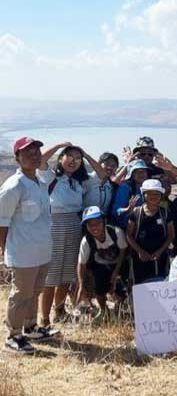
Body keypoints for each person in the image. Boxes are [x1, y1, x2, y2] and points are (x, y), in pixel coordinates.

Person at [37, 143, 107, 326]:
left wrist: (87, 154)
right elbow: (41, 159)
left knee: (67, 274)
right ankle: (44, 319)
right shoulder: (50, 177)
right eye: (69, 156)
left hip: (74, 225)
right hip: (55, 225)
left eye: (78, 158)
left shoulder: (80, 182)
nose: (73, 161)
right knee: (51, 276)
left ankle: (59, 311)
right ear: (61, 159)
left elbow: (102, 175)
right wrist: (60, 145)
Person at [1, 137, 56, 353]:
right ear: (17, 158)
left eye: (37, 152)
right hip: (23, 253)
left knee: (35, 291)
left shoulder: (40, 183)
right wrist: (3, 250)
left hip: (42, 250)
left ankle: (31, 327)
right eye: (28, 152)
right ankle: (14, 335)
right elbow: (2, 221)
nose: (34, 155)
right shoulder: (13, 186)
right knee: (21, 294)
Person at [76, 206, 127, 314]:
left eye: (98, 223)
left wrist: (115, 273)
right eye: (90, 225)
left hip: (118, 263)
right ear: (86, 226)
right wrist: (81, 285)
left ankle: (121, 308)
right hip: (99, 265)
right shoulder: (86, 241)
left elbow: (123, 253)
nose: (94, 227)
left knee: (121, 289)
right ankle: (104, 311)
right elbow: (81, 264)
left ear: (104, 221)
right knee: (99, 289)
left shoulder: (116, 232)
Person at [126, 179, 174, 284]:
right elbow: (129, 235)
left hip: (160, 259)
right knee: (139, 287)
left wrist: (160, 251)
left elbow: (171, 235)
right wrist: (140, 251)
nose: (154, 196)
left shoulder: (165, 213)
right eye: (150, 193)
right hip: (138, 259)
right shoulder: (136, 213)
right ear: (144, 195)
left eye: (157, 193)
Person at [111, 159, 149, 229]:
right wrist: (128, 209)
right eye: (137, 172)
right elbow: (116, 211)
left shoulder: (149, 188)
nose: (141, 174)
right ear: (131, 174)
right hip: (125, 227)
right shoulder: (125, 188)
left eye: (143, 171)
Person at [82, 152, 120, 216]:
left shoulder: (111, 186)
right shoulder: (87, 179)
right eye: (107, 164)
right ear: (99, 164)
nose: (109, 167)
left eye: (113, 166)